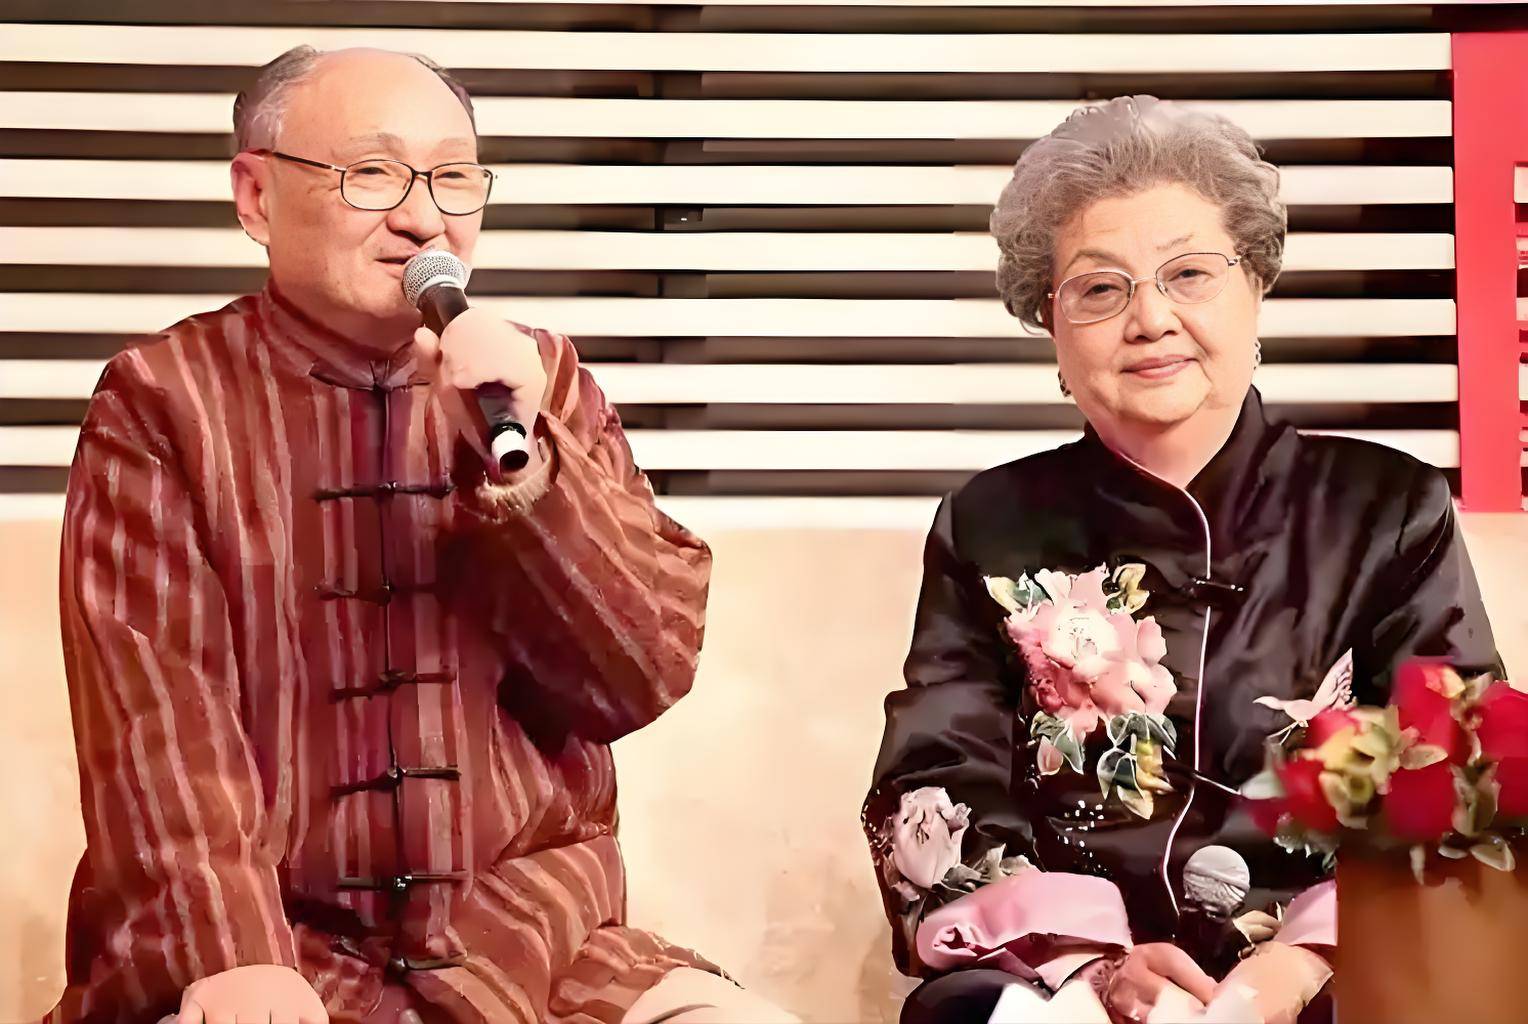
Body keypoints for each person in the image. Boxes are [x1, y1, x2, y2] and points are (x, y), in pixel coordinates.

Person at [51, 46, 795, 1024]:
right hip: (276, 944)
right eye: (373, 172)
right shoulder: (163, 401)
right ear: (257, 197)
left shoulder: (543, 385)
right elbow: (158, 718)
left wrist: (526, 470)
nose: (423, 218)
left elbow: (641, 672)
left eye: (452, 178)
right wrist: (232, 955)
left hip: (536, 949)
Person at [863, 95, 1502, 1024]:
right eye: (1100, 288)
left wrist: (1294, 968)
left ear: (1256, 290)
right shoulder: (989, 525)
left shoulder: (1387, 509)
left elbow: (1460, 779)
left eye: (1190, 274)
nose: (1151, 318)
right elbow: (937, 778)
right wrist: (1093, 965)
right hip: (1066, 982)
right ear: (1051, 324)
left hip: (1330, 973)